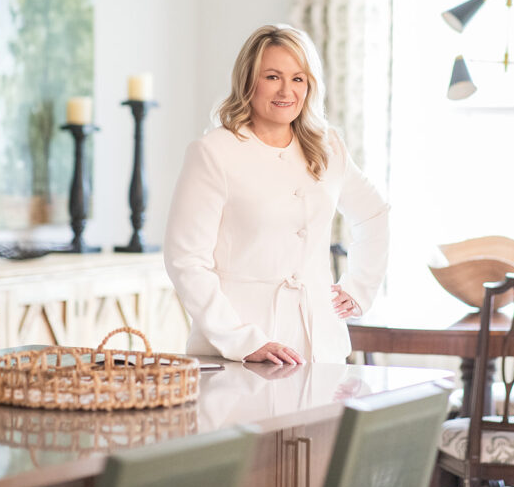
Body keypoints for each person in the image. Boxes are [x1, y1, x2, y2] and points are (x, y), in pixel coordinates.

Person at [164, 24, 389, 365]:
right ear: (248, 81)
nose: (287, 90)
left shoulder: (327, 147)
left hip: (320, 348)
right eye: (272, 76)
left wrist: (359, 287)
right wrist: (242, 340)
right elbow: (186, 261)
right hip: (240, 350)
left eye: (298, 79)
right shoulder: (213, 153)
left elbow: (374, 214)